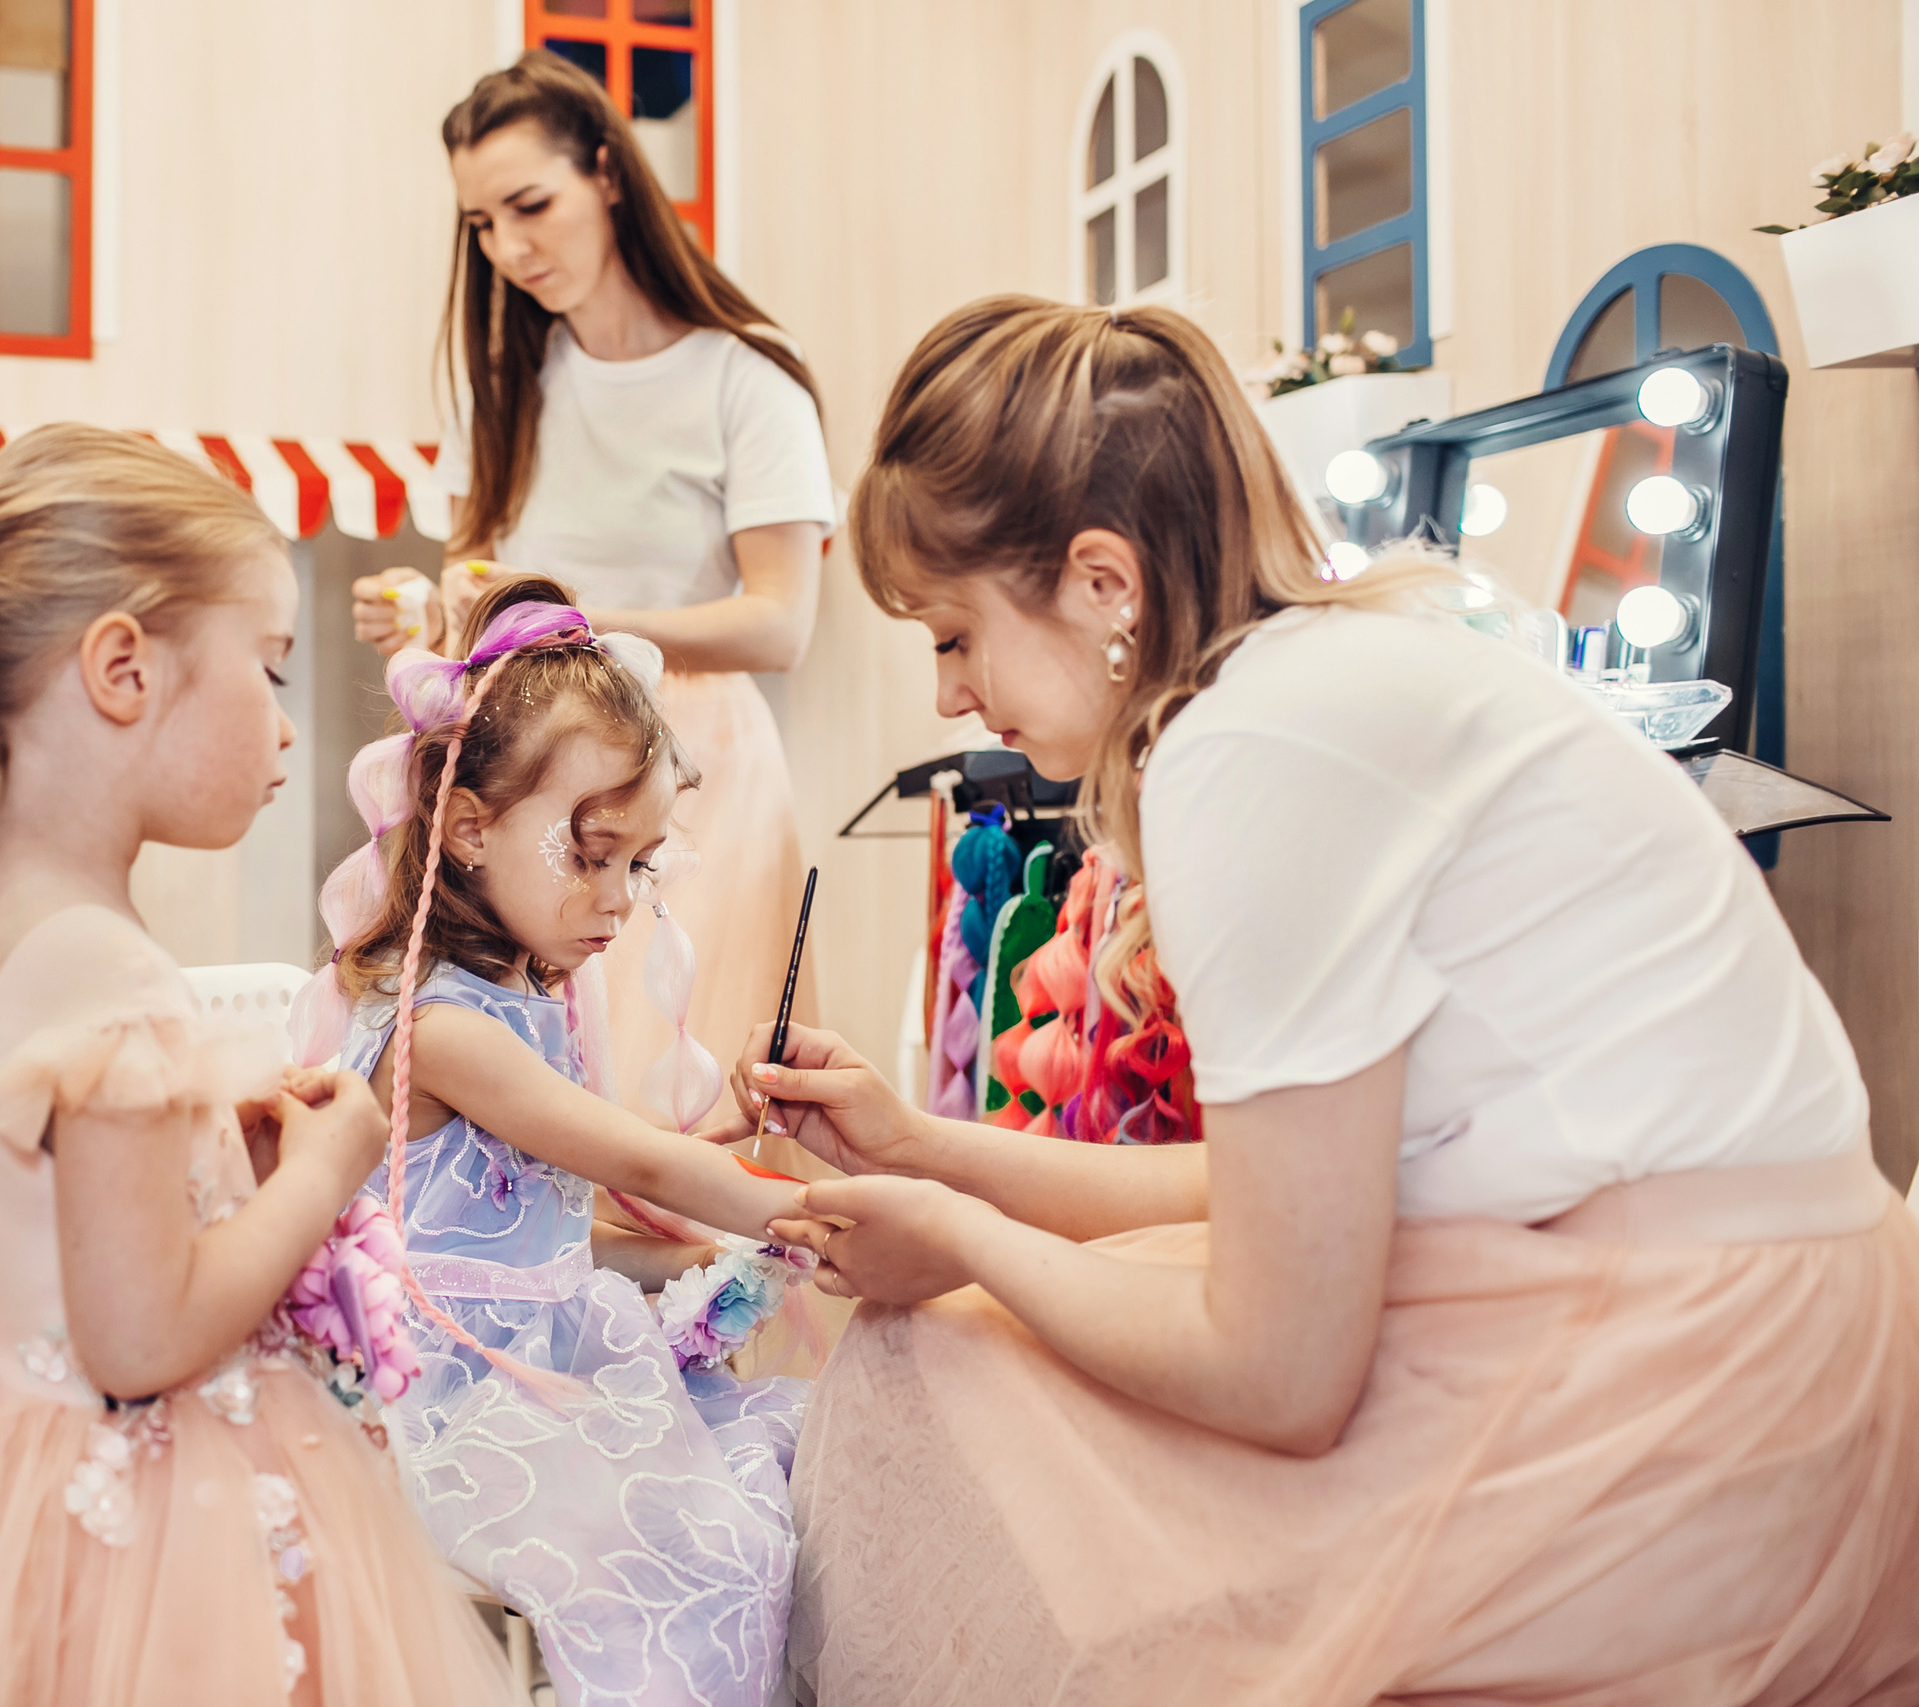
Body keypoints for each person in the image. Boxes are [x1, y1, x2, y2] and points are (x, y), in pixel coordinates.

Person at [736, 299, 1919, 1702]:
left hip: (1695, 1382)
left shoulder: (1252, 752)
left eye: (952, 634)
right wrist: (926, 1148)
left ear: (1103, 580)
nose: (947, 698)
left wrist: (964, 1238)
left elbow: (1278, 1371)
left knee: (920, 1384)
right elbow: (1273, 1194)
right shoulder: (1317, 686)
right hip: (1773, 1317)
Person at [0, 426, 522, 1706]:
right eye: (272, 670)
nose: (289, 730)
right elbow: (140, 1338)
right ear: (123, 669)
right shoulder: (108, 970)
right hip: (124, 1519)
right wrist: (329, 1167)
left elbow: (38, 1227)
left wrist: (208, 1151)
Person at [301, 573, 812, 1707]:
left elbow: (551, 1217)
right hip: (446, 1397)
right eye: (589, 856)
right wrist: (803, 1210)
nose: (619, 899)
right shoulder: (442, 1030)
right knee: (698, 1547)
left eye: (636, 864)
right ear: (471, 829)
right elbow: (629, 1160)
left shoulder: (533, 999)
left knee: (771, 1484)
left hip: (536, 1357)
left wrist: (710, 1223)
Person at [349, 51, 835, 1169]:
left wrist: (570, 620)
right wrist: (434, 613)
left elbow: (779, 624)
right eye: (481, 223)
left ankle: (713, 1329)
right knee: (536, 1092)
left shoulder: (744, 378)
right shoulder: (508, 386)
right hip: (527, 781)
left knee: (686, 1087)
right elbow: (478, 586)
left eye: (531, 205)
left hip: (691, 777)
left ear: (609, 176)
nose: (511, 249)